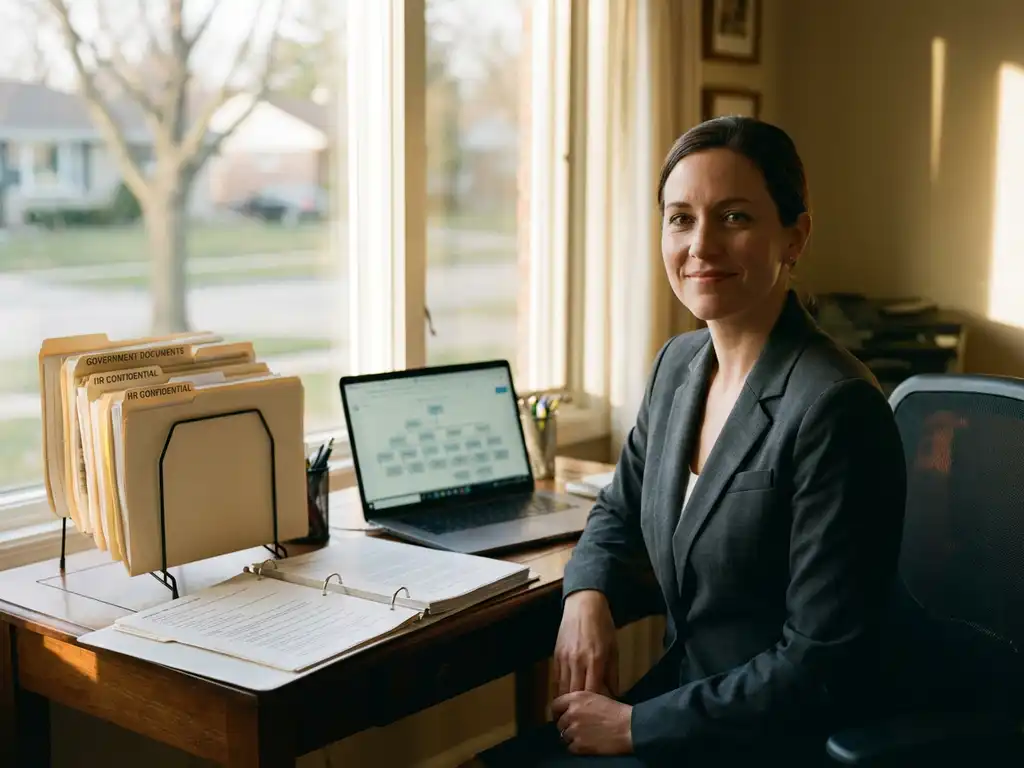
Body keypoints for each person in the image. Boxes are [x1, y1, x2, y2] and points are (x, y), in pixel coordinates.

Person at [476, 116, 907, 766]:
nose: (700, 244)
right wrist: (586, 597)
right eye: (680, 218)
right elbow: (618, 512)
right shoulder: (678, 365)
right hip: (683, 701)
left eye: (734, 217)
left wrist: (632, 729)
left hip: (766, 740)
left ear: (796, 235)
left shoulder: (836, 407)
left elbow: (820, 666)